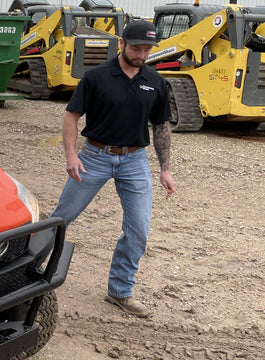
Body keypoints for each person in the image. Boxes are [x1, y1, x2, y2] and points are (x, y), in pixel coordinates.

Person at [50, 19, 176, 318]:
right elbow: (71, 118)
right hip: (94, 156)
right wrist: (71, 155)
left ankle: (120, 292)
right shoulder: (97, 78)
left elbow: (161, 126)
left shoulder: (155, 82)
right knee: (61, 219)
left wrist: (165, 169)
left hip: (135, 161)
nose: (142, 55)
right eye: (136, 48)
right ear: (121, 43)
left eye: (147, 49)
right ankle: (24, 271)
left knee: (139, 230)